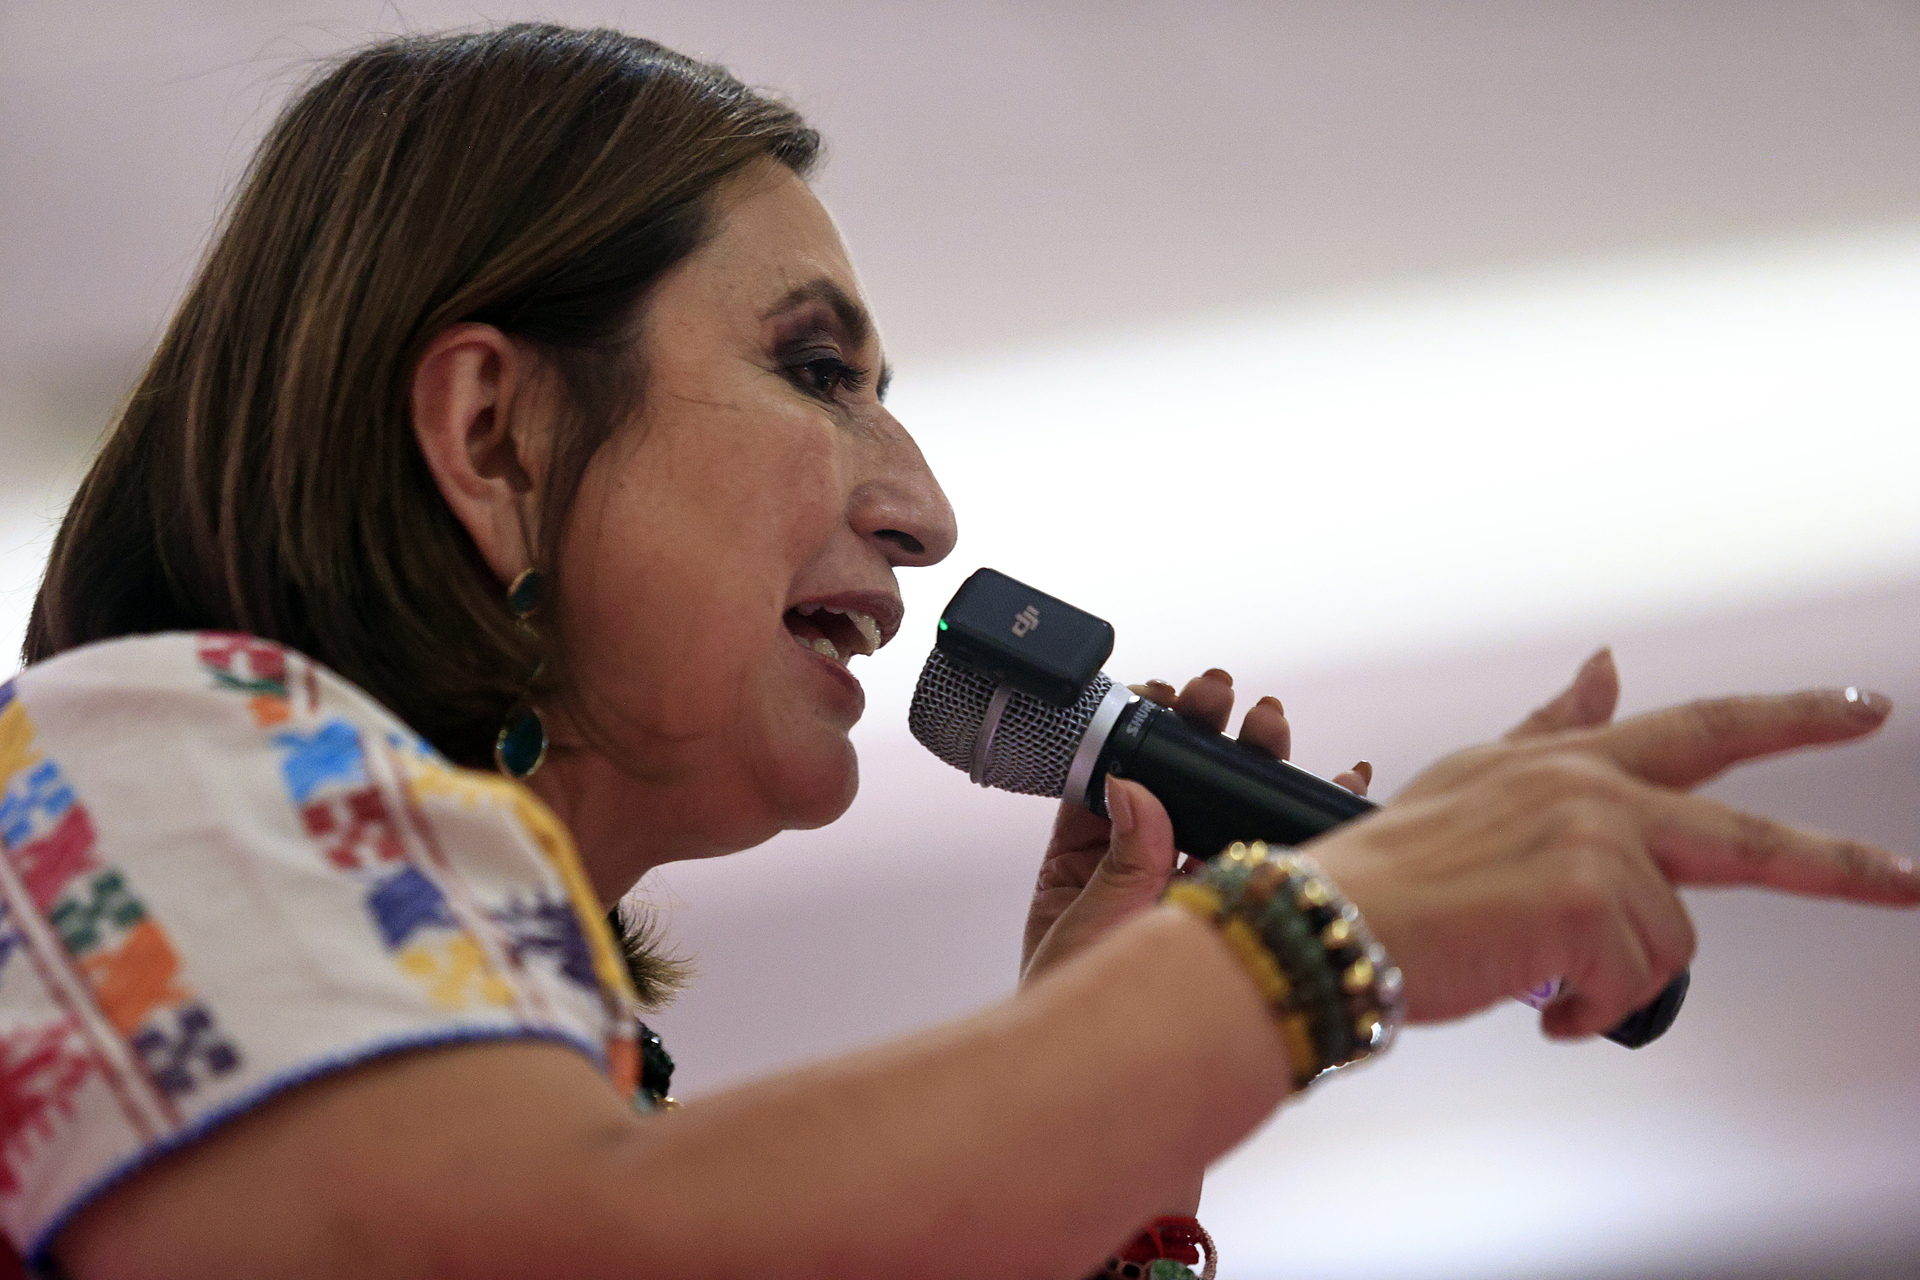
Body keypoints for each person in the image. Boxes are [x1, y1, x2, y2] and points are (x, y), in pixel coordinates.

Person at [1, 23, 1913, 1280]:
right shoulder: (136, 765)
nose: (921, 506)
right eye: (814, 369)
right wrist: (1319, 940)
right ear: (497, 436)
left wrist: (1101, 1143)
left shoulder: (578, 1073)